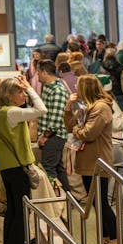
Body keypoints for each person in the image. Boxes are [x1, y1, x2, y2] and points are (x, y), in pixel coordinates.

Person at [0, 76, 47, 244]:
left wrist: (26, 89)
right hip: (17, 169)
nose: (24, 94)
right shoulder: (12, 113)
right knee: (20, 215)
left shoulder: (0, 113)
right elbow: (42, 109)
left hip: (9, 168)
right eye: (20, 92)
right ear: (9, 95)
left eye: (24, 91)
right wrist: (31, 88)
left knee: (13, 213)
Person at [63, 75, 119, 244]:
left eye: (78, 87)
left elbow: (88, 133)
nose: (75, 91)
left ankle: (114, 242)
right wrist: (68, 108)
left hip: (99, 162)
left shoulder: (101, 108)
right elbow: (69, 125)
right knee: (94, 203)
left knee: (101, 202)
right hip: (87, 163)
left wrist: (76, 132)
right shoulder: (86, 107)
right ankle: (104, 240)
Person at [35, 61, 71, 193]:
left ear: (44, 72)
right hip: (51, 135)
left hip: (55, 136)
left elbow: (56, 119)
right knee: (58, 168)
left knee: (48, 168)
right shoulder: (48, 87)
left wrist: (45, 136)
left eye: (38, 72)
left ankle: (54, 200)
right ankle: (68, 199)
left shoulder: (57, 91)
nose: (37, 75)